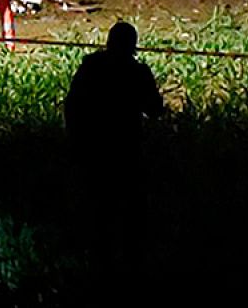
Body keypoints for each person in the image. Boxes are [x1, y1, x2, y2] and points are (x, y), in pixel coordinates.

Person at [64, 22, 164, 305]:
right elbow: (155, 110)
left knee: (99, 215)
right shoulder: (137, 72)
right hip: (126, 151)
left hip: (93, 151)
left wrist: (75, 141)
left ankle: (100, 274)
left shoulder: (91, 67)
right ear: (133, 46)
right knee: (130, 217)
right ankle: (130, 275)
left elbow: (72, 108)